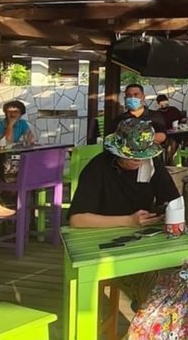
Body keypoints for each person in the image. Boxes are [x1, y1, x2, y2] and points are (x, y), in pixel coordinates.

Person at [69, 117, 181, 306]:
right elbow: (77, 219)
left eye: (142, 155)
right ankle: (150, 318)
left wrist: (168, 213)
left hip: (146, 242)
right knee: (155, 288)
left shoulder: (151, 164)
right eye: (131, 156)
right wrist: (129, 221)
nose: (137, 160)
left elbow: (172, 200)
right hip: (108, 245)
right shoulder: (98, 168)